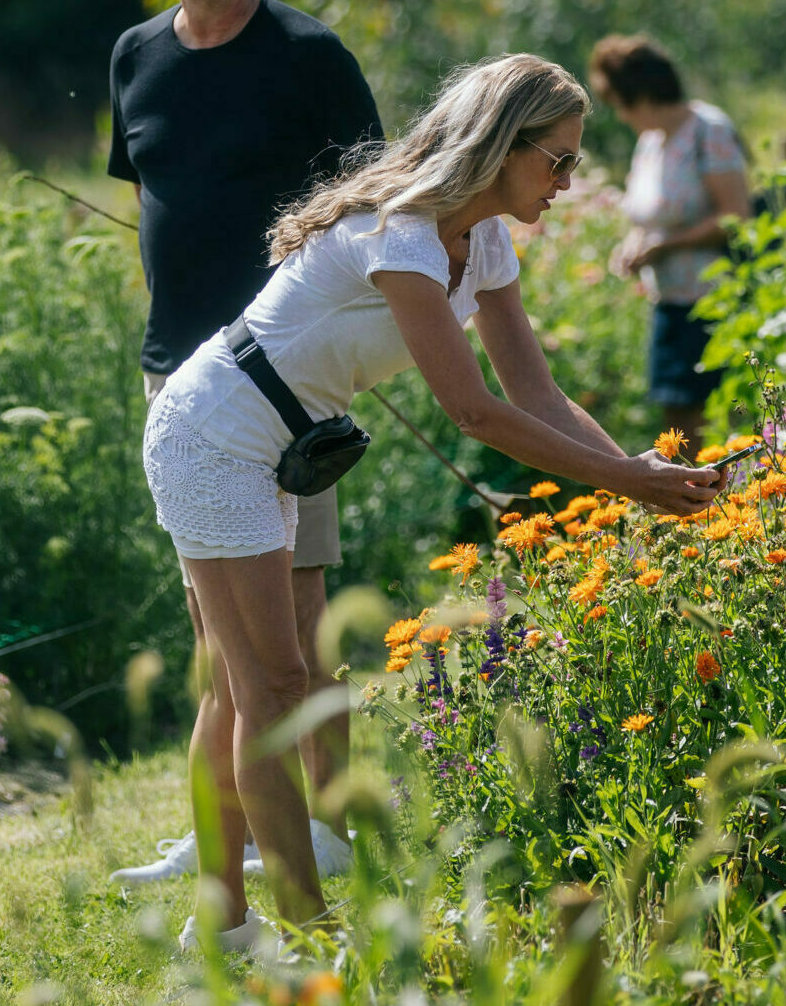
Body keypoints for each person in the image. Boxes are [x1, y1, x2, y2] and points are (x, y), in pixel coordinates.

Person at [142, 54, 726, 951]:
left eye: (573, 163)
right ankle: (304, 933)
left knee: (243, 684)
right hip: (211, 431)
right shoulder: (402, 233)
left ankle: (220, 926)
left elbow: (532, 389)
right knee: (273, 684)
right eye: (556, 161)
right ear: (500, 145)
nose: (567, 183)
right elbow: (473, 409)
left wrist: (636, 475)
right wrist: (629, 482)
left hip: (273, 441)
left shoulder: (483, 239)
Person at [104, 0, 382, 893]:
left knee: (297, 630)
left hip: (285, 384)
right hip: (177, 382)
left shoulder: (309, 55)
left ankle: (328, 826)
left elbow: (371, 203)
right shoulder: (135, 56)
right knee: (218, 635)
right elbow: (151, 196)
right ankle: (231, 826)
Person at [591, 35, 752, 450]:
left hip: (715, 301)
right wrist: (633, 245)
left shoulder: (707, 130)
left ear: (643, 95)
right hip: (668, 302)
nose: (621, 115)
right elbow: (647, 216)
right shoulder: (650, 143)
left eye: (620, 103)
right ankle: (694, 505)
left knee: (720, 419)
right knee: (676, 420)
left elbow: (736, 214)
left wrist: (666, 246)